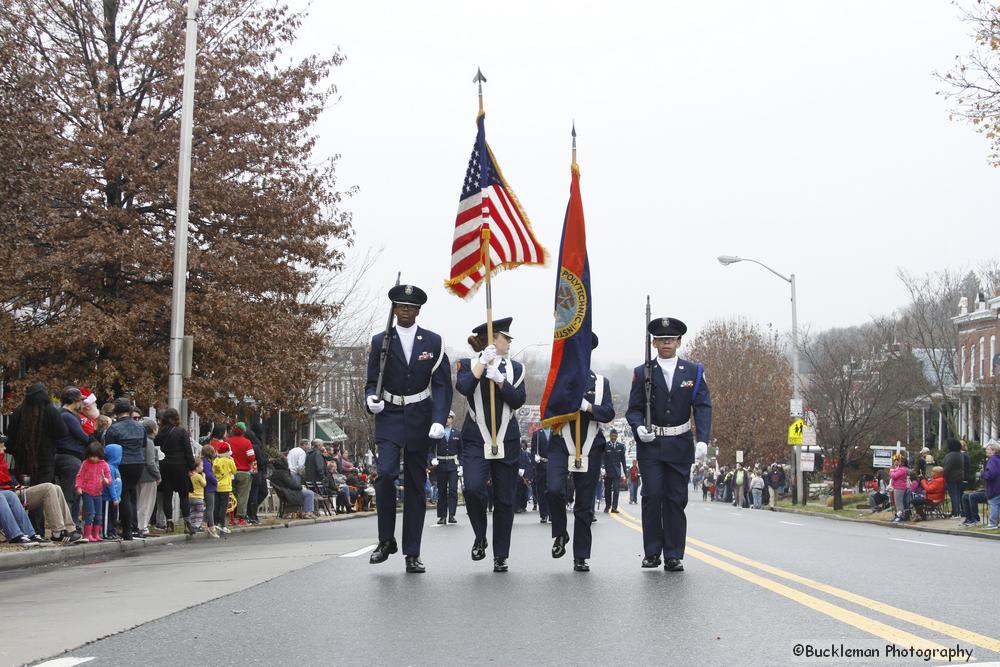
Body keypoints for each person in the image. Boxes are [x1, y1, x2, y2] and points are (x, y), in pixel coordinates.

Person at [364, 284, 452, 574]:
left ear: (417, 311)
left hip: (419, 416)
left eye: (411, 307)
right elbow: (371, 381)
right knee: (387, 474)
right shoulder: (380, 341)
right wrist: (370, 400)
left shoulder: (433, 342)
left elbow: (441, 385)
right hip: (388, 415)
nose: (405, 311)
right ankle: (386, 540)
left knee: (415, 486)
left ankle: (412, 553)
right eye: (401, 306)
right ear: (394, 309)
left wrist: (439, 418)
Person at [626, 316, 711, 572]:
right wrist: (639, 427)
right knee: (652, 496)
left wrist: (703, 440)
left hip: (680, 443)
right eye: (662, 340)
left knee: (675, 499)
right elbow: (634, 409)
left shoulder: (694, 372)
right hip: (651, 445)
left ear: (679, 342)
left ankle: (674, 554)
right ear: (654, 343)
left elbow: (703, 406)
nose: (666, 343)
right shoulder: (643, 372)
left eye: (671, 339)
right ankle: (652, 552)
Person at [455, 316, 525, 573]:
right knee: (473, 489)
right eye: (505, 337)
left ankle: (501, 554)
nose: (508, 342)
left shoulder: (515, 368)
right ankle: (480, 536)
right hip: (476, 437)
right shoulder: (467, 364)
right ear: (493, 338)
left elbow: (518, 400)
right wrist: (482, 364)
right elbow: (463, 387)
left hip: (507, 437)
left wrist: (500, 380)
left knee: (505, 499)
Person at [546, 332, 615, 573]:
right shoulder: (557, 379)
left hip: (590, 445)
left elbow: (608, 413)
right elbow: (546, 411)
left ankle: (581, 556)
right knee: (554, 489)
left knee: (584, 505)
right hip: (560, 443)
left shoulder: (601, 383)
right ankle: (560, 532)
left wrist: (586, 406)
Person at [0, 438, 83, 543]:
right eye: (2, 445)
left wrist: (17, 485)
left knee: (53, 487)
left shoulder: (2, 460)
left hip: (13, 492)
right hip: (7, 494)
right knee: (9, 495)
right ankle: (58, 532)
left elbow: (9, 480)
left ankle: (69, 529)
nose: (5, 448)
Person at [6, 383, 65, 494]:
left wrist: (17, 451)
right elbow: (62, 432)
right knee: (41, 493)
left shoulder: (19, 411)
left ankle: (23, 511)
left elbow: (10, 435)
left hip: (22, 461)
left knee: (24, 493)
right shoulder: (51, 411)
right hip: (45, 460)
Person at [103, 398, 148, 540]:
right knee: (132, 494)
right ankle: (134, 527)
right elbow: (144, 444)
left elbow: (109, 449)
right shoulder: (140, 426)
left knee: (124, 496)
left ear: (115, 412)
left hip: (121, 463)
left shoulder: (113, 429)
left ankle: (127, 530)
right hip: (138, 463)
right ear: (129, 411)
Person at [55, 386, 93, 528]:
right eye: (80, 401)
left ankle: (72, 524)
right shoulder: (67, 416)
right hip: (70, 458)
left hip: (65, 457)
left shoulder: (62, 414)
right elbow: (83, 437)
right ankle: (69, 525)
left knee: (72, 493)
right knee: (70, 494)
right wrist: (93, 439)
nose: (81, 404)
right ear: (74, 401)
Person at [154, 407, 196, 535]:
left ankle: (169, 522)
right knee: (184, 495)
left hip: (165, 466)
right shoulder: (182, 432)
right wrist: (191, 467)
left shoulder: (160, 433)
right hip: (180, 466)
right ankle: (187, 523)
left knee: (167, 495)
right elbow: (188, 451)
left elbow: (157, 450)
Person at [74, 441, 112, 542]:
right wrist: (78, 487)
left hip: (98, 493)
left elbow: (109, 478)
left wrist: (106, 481)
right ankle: (87, 534)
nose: (93, 459)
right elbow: (80, 476)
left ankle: (96, 534)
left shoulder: (104, 464)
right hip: (87, 492)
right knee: (90, 513)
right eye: (91, 456)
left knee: (99, 514)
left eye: (96, 456)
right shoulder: (85, 463)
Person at [432, 411, 461, 525]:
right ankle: (442, 516)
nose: (447, 419)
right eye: (446, 417)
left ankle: (452, 515)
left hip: (453, 465)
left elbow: (462, 450)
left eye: (449, 417)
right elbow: (430, 449)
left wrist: (461, 464)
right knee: (442, 491)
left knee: (453, 490)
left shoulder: (457, 434)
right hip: (441, 464)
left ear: (452, 419)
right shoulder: (437, 433)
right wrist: (431, 459)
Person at [960, 441, 999, 528]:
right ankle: (971, 519)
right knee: (966, 496)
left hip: (994, 488)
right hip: (993, 487)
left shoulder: (992, 460)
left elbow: (992, 474)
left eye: (988, 449)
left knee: (993, 504)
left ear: (993, 450)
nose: (986, 451)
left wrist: (982, 474)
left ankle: (989, 523)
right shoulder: (996, 459)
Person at [225, 422, 257, 527]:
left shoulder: (228, 442)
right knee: (243, 496)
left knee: (231, 495)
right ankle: (241, 519)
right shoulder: (247, 442)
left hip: (230, 472)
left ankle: (230, 519)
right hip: (244, 473)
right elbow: (251, 457)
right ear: (243, 431)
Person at [136, 417, 161, 538]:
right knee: (146, 502)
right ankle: (143, 526)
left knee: (139, 501)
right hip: (149, 476)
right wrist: (158, 475)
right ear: (153, 429)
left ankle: (139, 524)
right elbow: (151, 462)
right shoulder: (149, 442)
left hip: (139, 474)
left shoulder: (139, 440)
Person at [602, 428, 627, 514]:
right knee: (607, 490)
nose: (613, 437)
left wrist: (625, 472)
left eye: (615, 436)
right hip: (607, 472)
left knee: (616, 490)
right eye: (612, 435)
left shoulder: (620, 446)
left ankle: (614, 507)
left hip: (616, 472)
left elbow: (623, 460)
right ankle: (607, 506)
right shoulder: (605, 445)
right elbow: (602, 458)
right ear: (610, 436)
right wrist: (603, 469)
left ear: (617, 436)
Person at [212, 442, 236, 533]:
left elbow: (213, 471)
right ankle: (221, 524)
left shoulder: (216, 460)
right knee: (223, 506)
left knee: (216, 505)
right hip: (225, 486)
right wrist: (232, 460)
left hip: (216, 485)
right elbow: (234, 471)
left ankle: (215, 523)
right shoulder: (229, 461)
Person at [530, 426, 553, 523]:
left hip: (553, 464)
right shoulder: (537, 434)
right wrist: (535, 459)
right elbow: (533, 450)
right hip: (541, 464)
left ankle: (552, 514)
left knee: (552, 490)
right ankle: (543, 514)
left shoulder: (555, 431)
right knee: (541, 490)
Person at [942, 439, 965, 518]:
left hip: (951, 478)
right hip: (960, 477)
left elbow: (947, 468)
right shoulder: (960, 454)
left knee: (954, 495)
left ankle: (956, 512)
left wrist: (942, 475)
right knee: (959, 494)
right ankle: (959, 511)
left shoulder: (950, 455)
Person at [201, 444, 220, 537]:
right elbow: (209, 474)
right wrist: (216, 481)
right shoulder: (207, 463)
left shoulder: (203, 461)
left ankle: (204, 524)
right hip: (209, 488)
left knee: (208, 507)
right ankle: (212, 527)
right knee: (210, 508)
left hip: (206, 487)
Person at [889, 454, 909, 522]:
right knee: (898, 502)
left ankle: (900, 516)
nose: (897, 462)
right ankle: (901, 515)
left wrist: (892, 471)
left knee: (898, 502)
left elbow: (894, 476)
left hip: (899, 487)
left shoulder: (902, 469)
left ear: (902, 463)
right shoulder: (901, 469)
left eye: (899, 461)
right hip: (898, 486)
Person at [189, 458, 207, 531]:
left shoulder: (190, 475)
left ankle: (192, 525)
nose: (203, 467)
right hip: (198, 497)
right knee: (199, 512)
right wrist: (204, 477)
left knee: (192, 511)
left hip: (190, 497)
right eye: (201, 466)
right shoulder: (199, 476)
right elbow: (204, 484)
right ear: (197, 467)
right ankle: (197, 526)